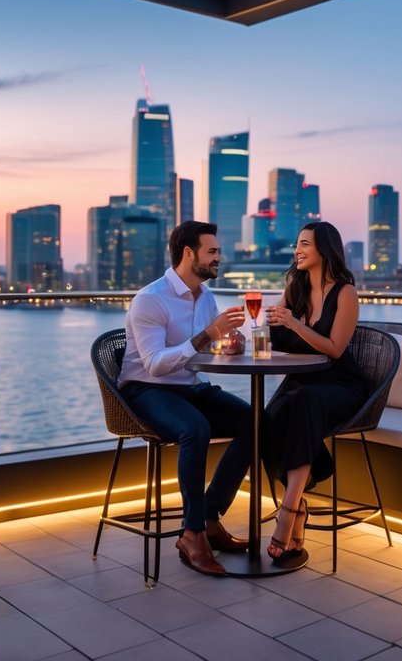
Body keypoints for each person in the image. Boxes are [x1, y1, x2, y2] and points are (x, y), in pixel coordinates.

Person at [119, 220, 253, 576]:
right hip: (146, 389)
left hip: (190, 387)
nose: (218, 259)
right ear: (188, 253)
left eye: (218, 252)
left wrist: (230, 343)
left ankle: (208, 516)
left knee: (256, 422)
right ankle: (191, 534)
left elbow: (210, 348)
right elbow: (155, 365)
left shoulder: (205, 296)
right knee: (196, 428)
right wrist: (207, 335)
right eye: (212, 252)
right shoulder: (150, 299)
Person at [261, 221, 369, 562]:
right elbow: (274, 333)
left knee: (301, 403)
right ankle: (299, 505)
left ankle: (288, 510)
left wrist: (294, 323)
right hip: (303, 381)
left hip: (341, 384)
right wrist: (269, 326)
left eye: (305, 243)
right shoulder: (295, 287)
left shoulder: (345, 293)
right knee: (267, 419)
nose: (297, 250)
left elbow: (335, 349)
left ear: (324, 248)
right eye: (297, 243)